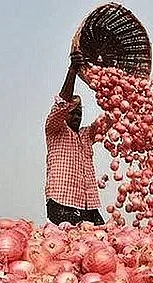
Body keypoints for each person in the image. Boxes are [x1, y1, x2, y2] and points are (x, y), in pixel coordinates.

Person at [43, 51, 105, 226]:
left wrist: (122, 95)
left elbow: (108, 120)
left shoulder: (86, 135)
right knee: (70, 247)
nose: (77, 117)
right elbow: (61, 104)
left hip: (89, 205)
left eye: (80, 113)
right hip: (62, 202)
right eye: (73, 113)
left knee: (99, 244)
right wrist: (72, 71)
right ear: (65, 114)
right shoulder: (54, 129)